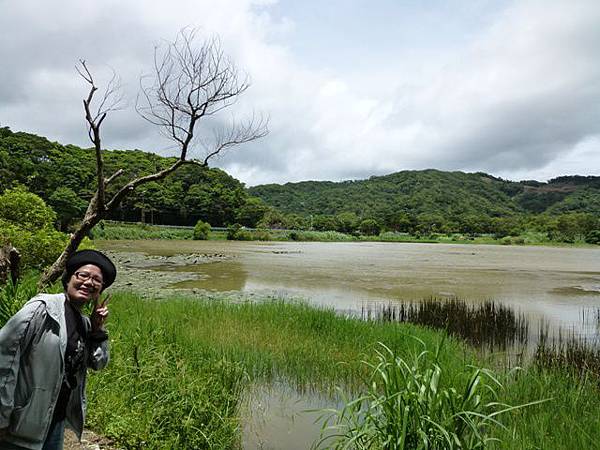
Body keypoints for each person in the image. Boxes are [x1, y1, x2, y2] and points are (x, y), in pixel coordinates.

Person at [0, 250, 116, 450]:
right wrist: (1, 415)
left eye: (97, 280)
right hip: (20, 424)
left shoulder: (85, 323)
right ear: (68, 278)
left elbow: (98, 363)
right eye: (83, 275)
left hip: (54, 421)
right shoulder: (42, 309)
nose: (89, 282)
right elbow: (5, 358)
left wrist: (98, 331)